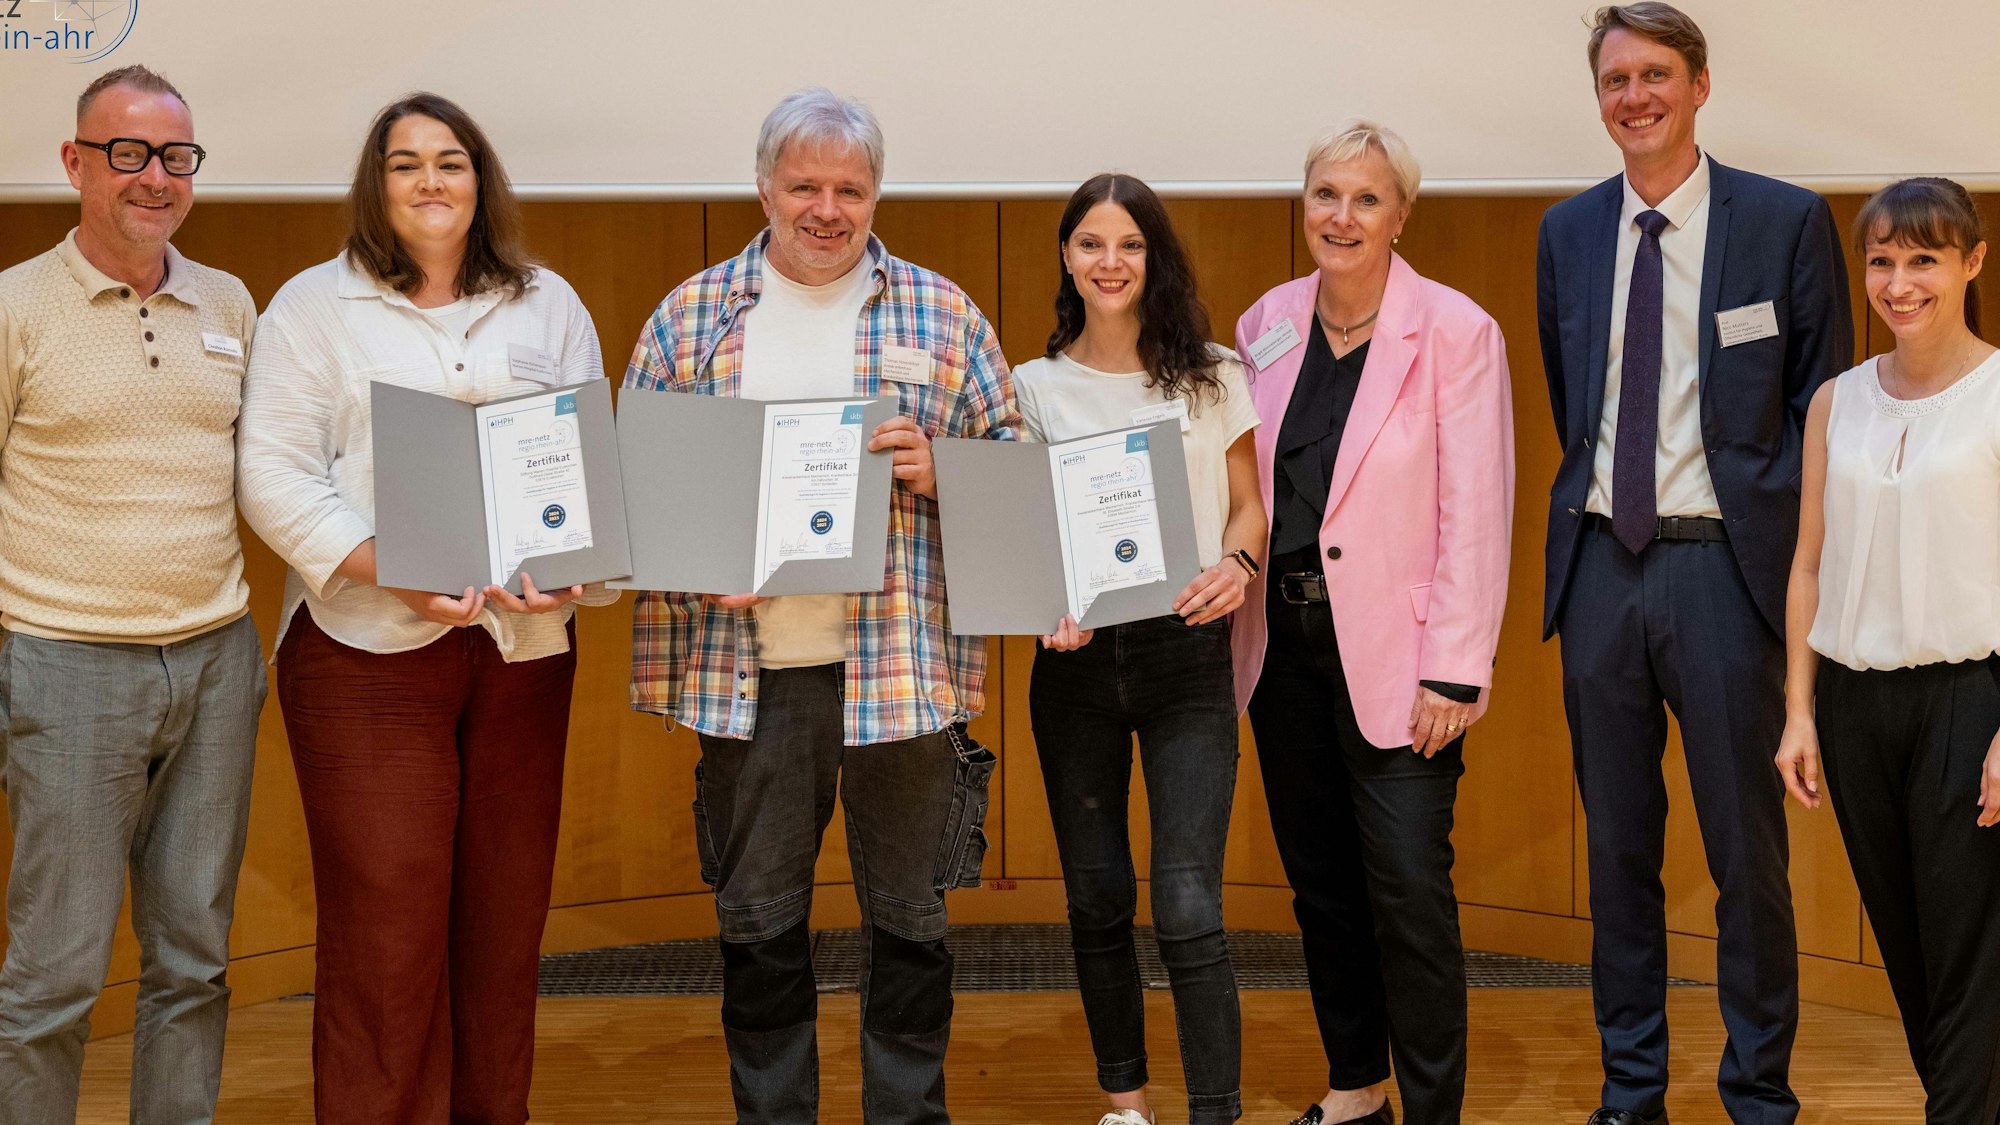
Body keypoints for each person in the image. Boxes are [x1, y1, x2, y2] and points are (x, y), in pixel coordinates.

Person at [623, 87, 1017, 1125]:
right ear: (763, 187)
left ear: (876, 191)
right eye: (804, 185)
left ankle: (906, 1116)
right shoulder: (691, 318)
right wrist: (690, 547)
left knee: (910, 922)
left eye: (850, 187)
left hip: (900, 673)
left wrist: (941, 470)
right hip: (747, 673)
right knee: (756, 924)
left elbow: (1017, 472)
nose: (827, 208)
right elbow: (634, 492)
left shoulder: (943, 313)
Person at [237, 92, 614, 1125]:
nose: (431, 180)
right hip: (365, 653)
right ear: (378, 185)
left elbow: (583, 464)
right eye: (406, 164)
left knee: (501, 929)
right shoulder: (313, 307)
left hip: (523, 650)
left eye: (450, 161)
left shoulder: (549, 304)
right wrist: (380, 565)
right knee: (387, 933)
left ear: (479, 180)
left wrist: (575, 565)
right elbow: (271, 474)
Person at [1535, 5, 1854, 1123]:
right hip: (1597, 574)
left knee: (1743, 861)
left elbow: (1824, 406)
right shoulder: (1565, 234)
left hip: (1726, 576)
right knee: (1616, 859)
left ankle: (1755, 1094)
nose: (1634, 97)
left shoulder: (1783, 221)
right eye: (1614, 79)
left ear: (1699, 85)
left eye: (1654, 74)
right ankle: (1630, 1093)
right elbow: (1570, 400)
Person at [1233, 119, 1514, 1125]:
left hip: (1402, 665)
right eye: (1322, 195)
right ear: (1299, 205)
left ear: (1400, 214)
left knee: (1406, 893)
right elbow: (1239, 487)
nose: (1339, 216)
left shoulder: (1454, 331)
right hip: (1282, 653)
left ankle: (1433, 1110)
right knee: (1320, 889)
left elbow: (1474, 514)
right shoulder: (1264, 321)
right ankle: (1355, 1088)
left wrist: (1455, 667)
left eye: (1363, 197)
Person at [0, 65, 265, 1125]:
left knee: (194, 963)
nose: (155, 179)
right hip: (65, 665)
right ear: (75, 164)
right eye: (129, 154)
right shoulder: (17, 306)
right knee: (54, 978)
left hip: (216, 659)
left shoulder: (230, 302)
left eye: (175, 157)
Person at [1017, 173, 1264, 1125]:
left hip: (1186, 655)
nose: (1109, 263)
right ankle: (1126, 1105)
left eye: (1129, 245)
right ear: (1067, 258)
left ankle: (1216, 1111)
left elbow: (1247, 504)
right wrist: (1048, 597)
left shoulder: (1212, 373)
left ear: (1153, 258)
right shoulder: (1029, 388)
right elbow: (1033, 532)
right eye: (1090, 244)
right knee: (1096, 897)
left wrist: (1238, 564)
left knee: (1190, 898)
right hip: (1074, 665)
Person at [1776, 177, 2000, 1124]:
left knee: (1968, 955)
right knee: (1910, 951)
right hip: (1855, 709)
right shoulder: (1838, 400)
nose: (1899, 282)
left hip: (1971, 702)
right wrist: (1797, 710)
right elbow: (1808, 566)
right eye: (1881, 261)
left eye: (1923, 259)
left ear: (1971, 263)